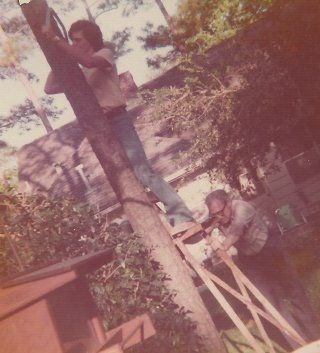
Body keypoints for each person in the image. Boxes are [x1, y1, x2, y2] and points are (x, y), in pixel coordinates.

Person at [42, 20, 195, 230]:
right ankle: (157, 223)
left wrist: (57, 41)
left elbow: (88, 62)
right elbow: (49, 88)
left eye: (78, 40)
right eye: (72, 41)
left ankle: (182, 216)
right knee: (124, 181)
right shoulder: (79, 71)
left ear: (91, 39)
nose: (74, 44)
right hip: (100, 130)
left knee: (142, 171)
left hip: (118, 120)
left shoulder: (104, 54)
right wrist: (57, 56)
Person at [205, 189, 319, 349]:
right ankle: (299, 346)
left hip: (270, 248)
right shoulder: (218, 216)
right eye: (214, 214)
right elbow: (205, 227)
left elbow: (237, 230)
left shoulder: (242, 208)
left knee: (295, 293)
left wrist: (222, 247)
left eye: (220, 212)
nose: (218, 217)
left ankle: (316, 338)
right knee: (272, 305)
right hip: (250, 260)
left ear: (229, 202)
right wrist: (206, 230)